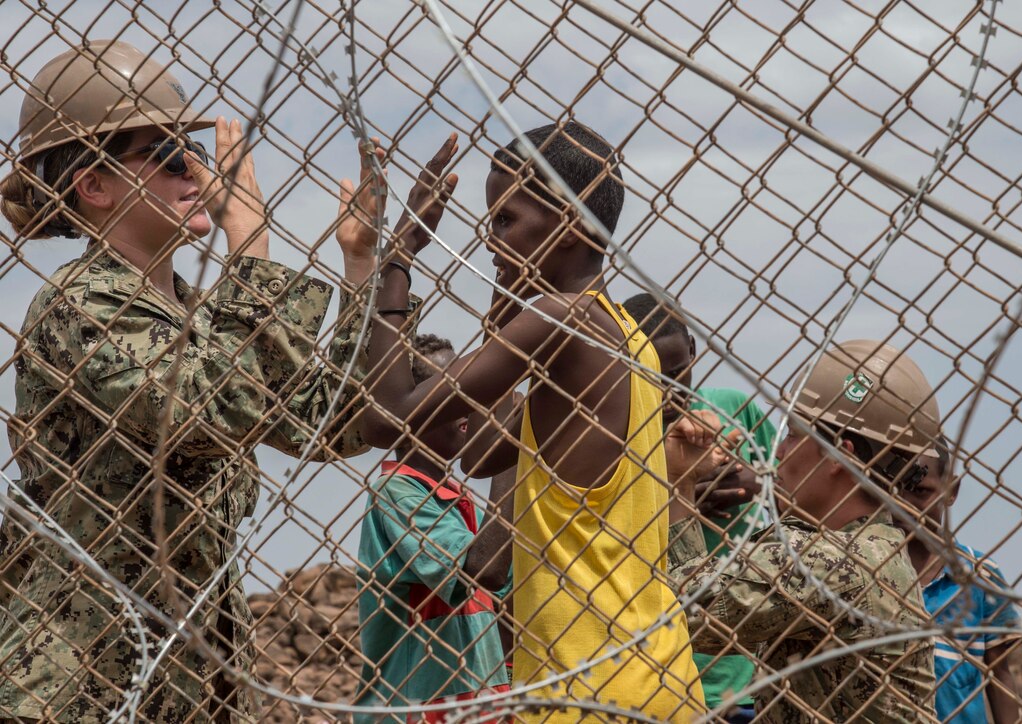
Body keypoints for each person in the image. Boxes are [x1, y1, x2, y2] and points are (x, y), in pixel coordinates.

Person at [0, 40, 388, 722]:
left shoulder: (204, 316)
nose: (197, 171)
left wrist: (362, 271)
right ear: (94, 186)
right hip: (85, 674)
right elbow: (210, 411)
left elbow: (329, 425)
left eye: (196, 151)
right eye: (167, 154)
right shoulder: (79, 305)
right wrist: (251, 247)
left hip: (192, 671)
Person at [359, 122, 704, 720]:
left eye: (504, 221)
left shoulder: (560, 318)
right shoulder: (623, 337)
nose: (490, 243)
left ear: (569, 225)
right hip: (652, 672)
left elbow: (389, 419)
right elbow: (485, 453)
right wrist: (502, 321)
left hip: (585, 689)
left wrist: (401, 255)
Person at [668, 340, 940, 721]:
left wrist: (671, 482)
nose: (777, 451)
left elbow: (674, 608)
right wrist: (682, 482)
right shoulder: (875, 549)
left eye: (793, 434)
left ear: (840, 456)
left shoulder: (830, 561)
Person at [623, 292, 776, 722]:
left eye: (677, 373)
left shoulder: (736, 412)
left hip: (741, 667)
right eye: (651, 376)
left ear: (693, 351)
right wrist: (677, 483)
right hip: (655, 664)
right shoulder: (619, 436)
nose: (668, 391)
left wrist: (748, 482)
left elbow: (790, 492)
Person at [354, 333, 516, 723]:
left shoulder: (456, 499)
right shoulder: (396, 493)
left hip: (473, 705)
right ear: (408, 407)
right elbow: (485, 569)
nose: (466, 404)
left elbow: (506, 606)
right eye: (448, 392)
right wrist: (510, 446)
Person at [900, 438, 1021, 723]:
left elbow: (1000, 674)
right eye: (894, 490)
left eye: (919, 491)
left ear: (950, 491)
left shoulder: (981, 576)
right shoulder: (865, 570)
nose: (903, 504)